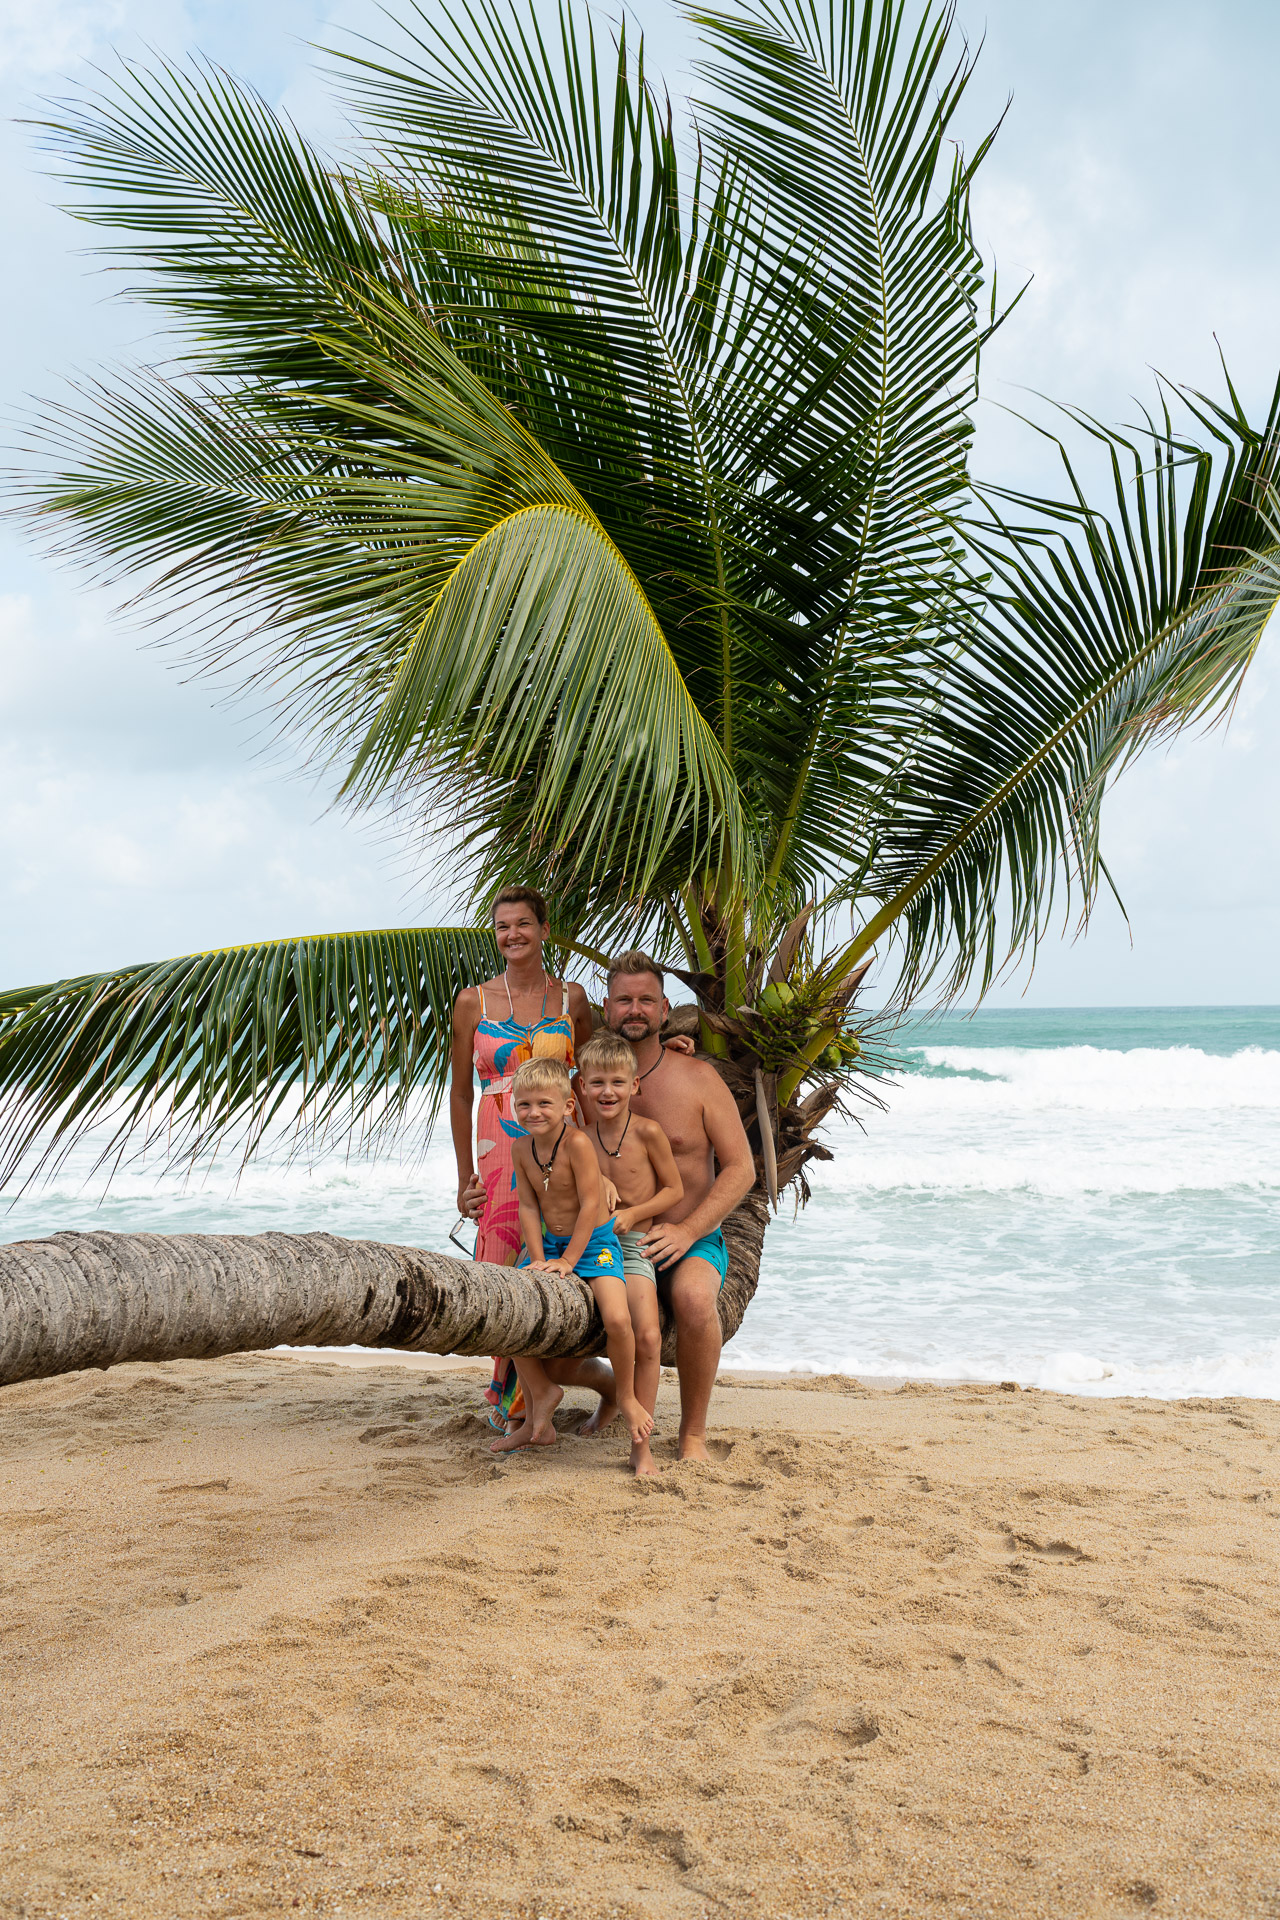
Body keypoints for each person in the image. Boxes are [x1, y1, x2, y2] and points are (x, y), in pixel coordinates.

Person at [449, 886, 613, 1432]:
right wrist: (462, 1177)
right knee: (498, 1268)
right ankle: (519, 1398)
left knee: (555, 1263)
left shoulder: (574, 1000)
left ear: (544, 929)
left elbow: (593, 1084)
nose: (512, 934)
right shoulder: (472, 1001)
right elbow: (459, 1093)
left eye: (523, 923)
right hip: (497, 1151)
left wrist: (601, 1171)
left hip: (562, 1148)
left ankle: (551, 1393)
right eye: (502, 926)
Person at [601, 951, 756, 1462]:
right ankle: (585, 1398)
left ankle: (692, 1434)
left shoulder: (697, 1078)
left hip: (688, 1238)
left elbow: (741, 1168)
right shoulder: (592, 1082)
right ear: (607, 1008)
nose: (635, 1009)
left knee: (693, 1300)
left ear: (665, 1008)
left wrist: (689, 1230)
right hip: (614, 1241)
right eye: (624, 999)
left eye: (646, 999)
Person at [491, 1058, 655, 1456]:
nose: (533, 1113)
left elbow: (589, 1204)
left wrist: (569, 1261)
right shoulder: (521, 1148)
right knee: (512, 1309)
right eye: (524, 1105)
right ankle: (540, 1401)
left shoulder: (577, 1143)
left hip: (595, 1245)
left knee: (618, 1319)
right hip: (548, 1246)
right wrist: (535, 1257)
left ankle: (627, 1396)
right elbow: (528, 1208)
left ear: (567, 1106)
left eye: (544, 1104)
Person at [576, 1030, 683, 1476]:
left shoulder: (647, 1132)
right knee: (589, 1329)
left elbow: (673, 1190)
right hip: (594, 1249)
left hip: (635, 1245)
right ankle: (611, 1400)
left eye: (618, 1082)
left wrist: (635, 1212)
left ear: (634, 1086)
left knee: (649, 1336)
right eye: (597, 1082)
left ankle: (641, 1446)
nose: (607, 1091)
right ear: (581, 1086)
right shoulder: (578, 1139)